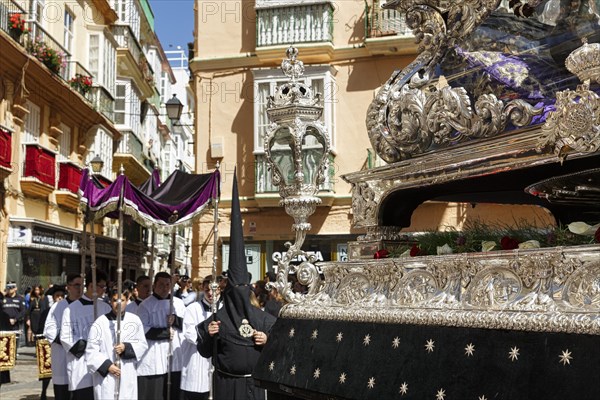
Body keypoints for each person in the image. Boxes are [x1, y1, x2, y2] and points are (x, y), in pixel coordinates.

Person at [197, 169, 276, 400]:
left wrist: (267, 341)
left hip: (254, 386)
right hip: (225, 385)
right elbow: (203, 352)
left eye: (245, 289)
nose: (240, 295)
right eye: (236, 291)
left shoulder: (263, 319)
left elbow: (281, 349)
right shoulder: (215, 320)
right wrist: (210, 336)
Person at [86, 289, 148, 400]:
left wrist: (126, 347)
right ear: (110, 301)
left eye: (122, 300)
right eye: (115, 300)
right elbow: (91, 350)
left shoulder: (135, 320)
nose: (118, 304)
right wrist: (107, 366)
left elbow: (142, 345)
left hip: (127, 371)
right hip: (107, 376)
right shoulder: (100, 322)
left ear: (128, 300)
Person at [60, 270, 111, 400]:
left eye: (105, 287)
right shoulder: (71, 309)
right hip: (81, 363)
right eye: (101, 286)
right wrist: (90, 346)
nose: (104, 290)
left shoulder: (106, 308)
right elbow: (66, 337)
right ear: (91, 286)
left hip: (102, 363)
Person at [137, 271, 186, 400]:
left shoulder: (178, 303)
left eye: (167, 284)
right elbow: (142, 329)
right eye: (161, 285)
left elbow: (187, 325)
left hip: (175, 356)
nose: (164, 288)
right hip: (154, 356)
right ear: (154, 285)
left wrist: (176, 320)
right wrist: (165, 333)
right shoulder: (145, 305)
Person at [44, 274, 82, 400]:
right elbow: (50, 330)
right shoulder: (58, 306)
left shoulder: (86, 306)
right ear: (68, 287)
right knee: (62, 393)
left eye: (82, 285)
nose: (80, 288)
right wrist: (69, 343)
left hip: (81, 359)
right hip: (62, 356)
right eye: (77, 285)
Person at [181, 276, 220, 400]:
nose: (210, 293)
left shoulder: (224, 309)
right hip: (197, 357)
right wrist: (206, 333)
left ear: (219, 289)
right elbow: (189, 333)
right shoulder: (192, 308)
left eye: (214, 290)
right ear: (203, 288)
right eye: (207, 290)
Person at [39, 285, 66, 400]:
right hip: (48, 344)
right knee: (46, 372)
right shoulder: (47, 312)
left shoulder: (67, 309)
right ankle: (43, 391)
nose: (59, 298)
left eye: (61, 296)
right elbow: (41, 327)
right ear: (53, 297)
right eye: (57, 296)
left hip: (63, 346)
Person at [1, 281, 26, 348]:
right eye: (8, 287)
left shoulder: (20, 299)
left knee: (14, 342)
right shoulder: (3, 298)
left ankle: (13, 356)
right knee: (4, 342)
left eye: (11, 287)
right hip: (4, 324)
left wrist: (15, 319)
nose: (9, 289)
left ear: (15, 288)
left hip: (15, 323)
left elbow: (23, 311)